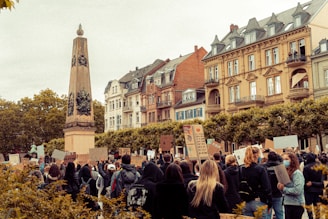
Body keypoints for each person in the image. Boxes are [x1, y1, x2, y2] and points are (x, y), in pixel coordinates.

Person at [241, 146, 272, 219]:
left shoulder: (242, 169)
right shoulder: (260, 169)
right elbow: (266, 187)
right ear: (257, 155)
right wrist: (269, 201)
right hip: (259, 201)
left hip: (246, 201)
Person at [277, 153, 305, 219]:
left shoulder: (297, 173)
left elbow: (298, 190)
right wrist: (280, 187)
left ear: (292, 160)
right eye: (283, 159)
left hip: (296, 204)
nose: (284, 161)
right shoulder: (285, 172)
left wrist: (284, 189)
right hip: (287, 203)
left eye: (286, 159)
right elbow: (284, 191)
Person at [263, 151, 283, 219]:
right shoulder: (280, 167)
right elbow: (284, 181)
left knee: (267, 214)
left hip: (267, 194)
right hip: (278, 193)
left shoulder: (263, 167)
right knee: (279, 213)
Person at [303, 152, 323, 219]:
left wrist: (309, 184)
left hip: (309, 190)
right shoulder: (320, 166)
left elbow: (305, 181)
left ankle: (310, 217)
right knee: (317, 207)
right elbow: (322, 182)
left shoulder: (306, 168)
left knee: (309, 206)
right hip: (318, 190)